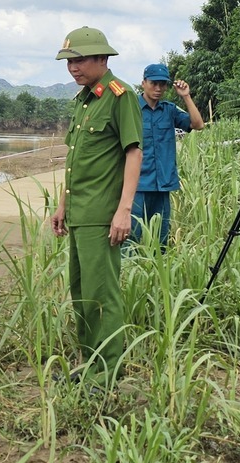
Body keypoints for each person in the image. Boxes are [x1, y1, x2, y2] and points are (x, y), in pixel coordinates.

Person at [50, 26, 142, 379]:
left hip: (103, 215)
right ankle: (88, 365)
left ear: (102, 58)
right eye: (69, 61)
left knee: (102, 294)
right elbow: (77, 161)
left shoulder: (121, 96)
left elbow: (133, 152)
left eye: (80, 60)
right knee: (82, 292)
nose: (73, 68)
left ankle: (106, 374)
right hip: (79, 213)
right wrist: (62, 206)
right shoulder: (83, 101)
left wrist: (124, 210)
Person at [133, 62, 204, 245]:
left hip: (162, 184)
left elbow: (198, 125)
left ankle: (159, 272)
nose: (158, 88)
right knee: (131, 238)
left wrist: (186, 96)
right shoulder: (131, 108)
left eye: (162, 84)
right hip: (136, 185)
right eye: (153, 83)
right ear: (144, 83)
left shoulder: (169, 109)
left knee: (160, 239)